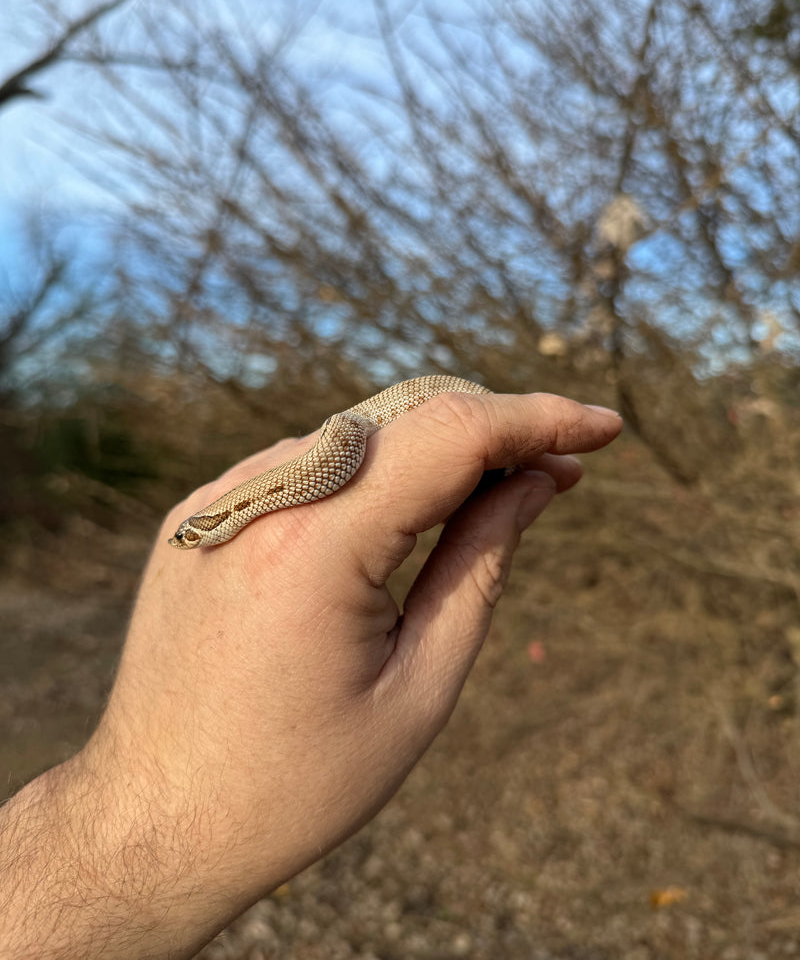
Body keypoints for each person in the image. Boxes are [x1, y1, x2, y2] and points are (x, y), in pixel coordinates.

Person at [0, 388, 622, 960]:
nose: (192, 540)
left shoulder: (270, 491)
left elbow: (330, 454)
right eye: (192, 534)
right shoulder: (256, 499)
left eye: (194, 532)